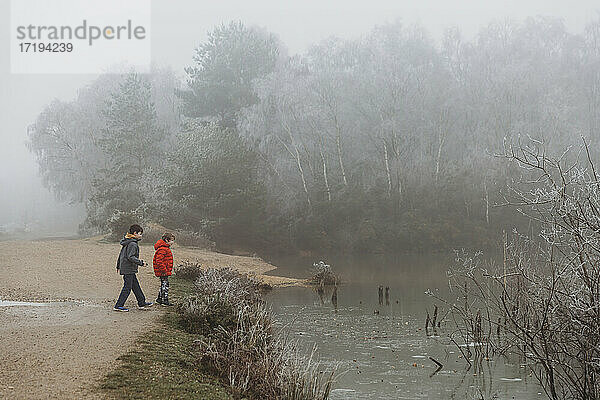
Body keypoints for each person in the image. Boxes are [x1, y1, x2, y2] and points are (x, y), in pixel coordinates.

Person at [113, 224, 153, 312]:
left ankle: (141, 302)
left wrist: (118, 265)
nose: (141, 235)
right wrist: (141, 263)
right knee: (127, 287)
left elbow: (121, 255)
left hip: (128, 268)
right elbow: (130, 257)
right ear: (135, 233)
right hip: (128, 268)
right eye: (140, 233)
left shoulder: (128, 241)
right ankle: (118, 305)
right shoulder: (132, 244)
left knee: (135, 286)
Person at [153, 232, 175, 306]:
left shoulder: (165, 248)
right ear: (166, 240)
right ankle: (165, 300)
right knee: (165, 284)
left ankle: (159, 299)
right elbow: (159, 261)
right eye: (171, 240)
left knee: (163, 284)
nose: (173, 242)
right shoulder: (163, 249)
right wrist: (164, 270)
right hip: (163, 271)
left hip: (164, 270)